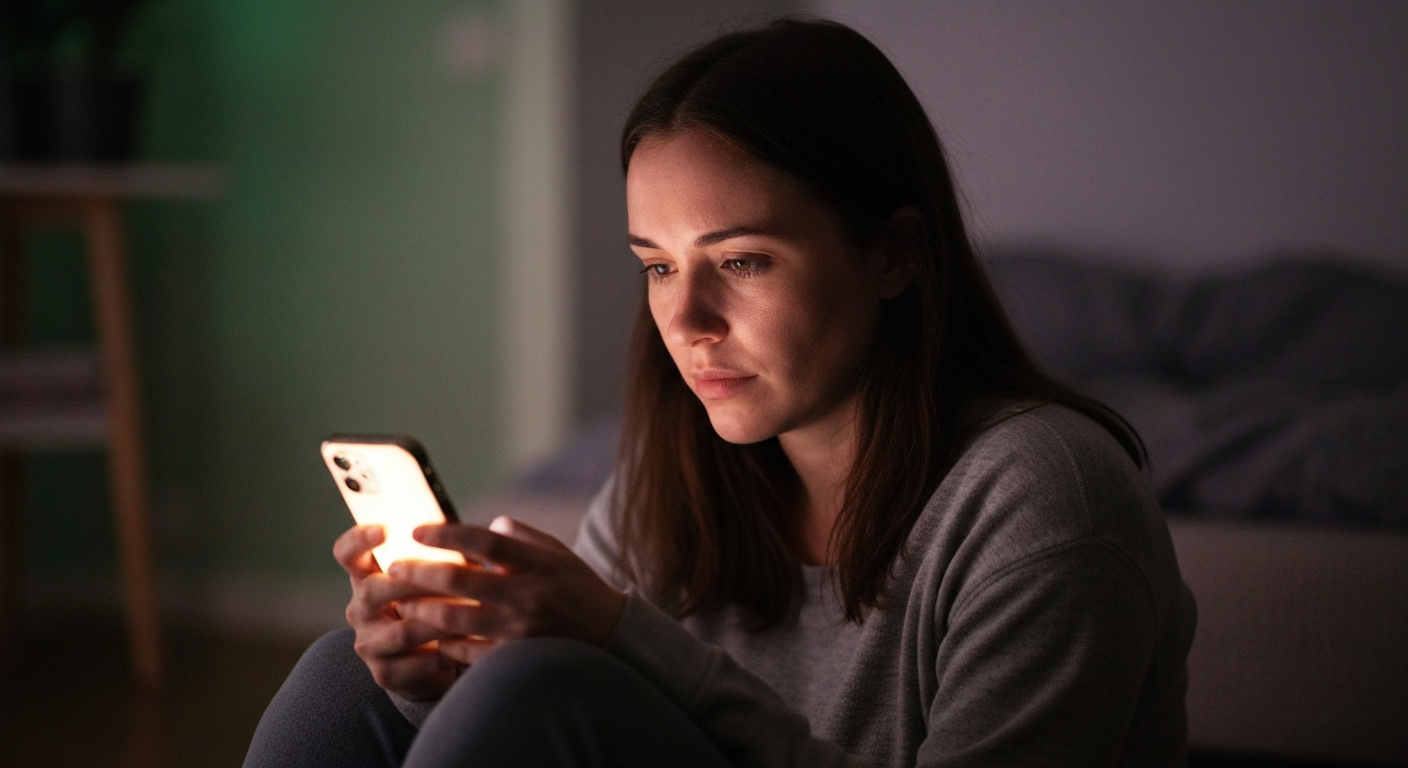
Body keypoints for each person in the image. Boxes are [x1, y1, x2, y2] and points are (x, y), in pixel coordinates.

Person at [245, 18, 1196, 768]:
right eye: (658, 267)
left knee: (540, 691)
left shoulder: (1046, 497)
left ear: (895, 254)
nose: (686, 320)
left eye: (742, 260)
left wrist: (622, 638)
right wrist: (432, 682)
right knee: (349, 677)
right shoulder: (670, 481)